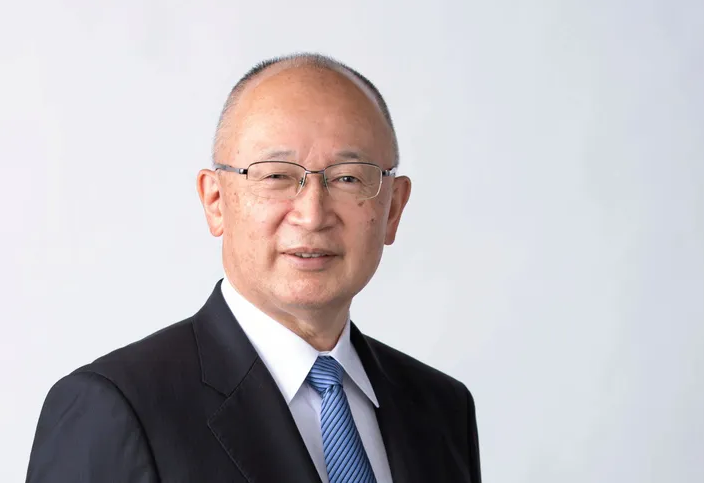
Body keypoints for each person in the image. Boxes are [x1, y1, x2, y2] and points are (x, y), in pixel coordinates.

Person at [25, 53, 482, 483]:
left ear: (393, 208)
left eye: (348, 178)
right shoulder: (117, 408)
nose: (312, 215)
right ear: (215, 200)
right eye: (277, 176)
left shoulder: (443, 409)